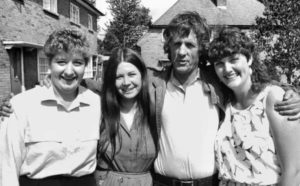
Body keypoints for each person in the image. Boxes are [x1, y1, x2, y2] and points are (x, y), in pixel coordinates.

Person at [148, 11, 300, 186]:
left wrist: (291, 92)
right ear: (169, 47)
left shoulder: (216, 82)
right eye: (177, 44)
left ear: (201, 50)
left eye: (189, 45)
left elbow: (253, 83)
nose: (182, 52)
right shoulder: (155, 85)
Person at [0, 29, 101, 186]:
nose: (69, 71)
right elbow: (7, 169)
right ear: (49, 64)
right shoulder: (21, 106)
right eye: (61, 62)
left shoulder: (96, 104)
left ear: (85, 66)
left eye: (77, 62)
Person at [209, 27, 300, 186]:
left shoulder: (273, 98)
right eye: (219, 64)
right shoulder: (225, 105)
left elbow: (294, 172)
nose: (227, 69)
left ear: (249, 58)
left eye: (233, 59)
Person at [95, 47, 157, 186]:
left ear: (142, 75)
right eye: (119, 77)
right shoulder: (101, 110)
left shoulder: (155, 110)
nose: (126, 82)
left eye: (131, 74)